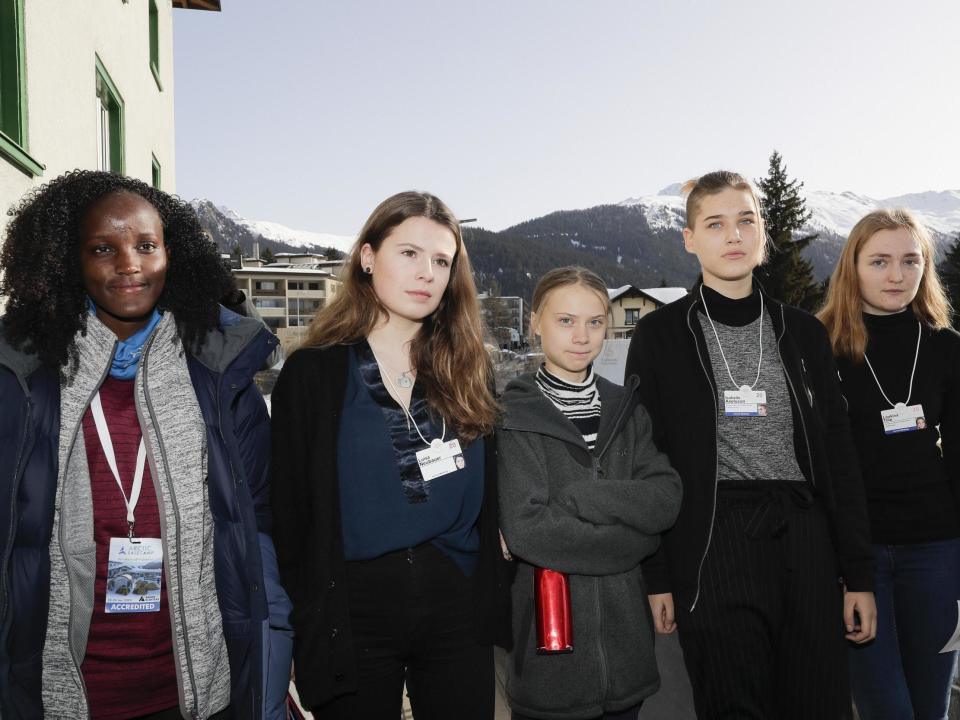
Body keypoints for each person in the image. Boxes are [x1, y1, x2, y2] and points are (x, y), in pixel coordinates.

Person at [0, 170, 292, 720]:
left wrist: (274, 642)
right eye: (103, 248)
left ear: (170, 254)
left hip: (200, 693)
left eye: (146, 245)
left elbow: (258, 523)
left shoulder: (218, 375)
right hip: (63, 695)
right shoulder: (20, 381)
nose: (129, 264)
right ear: (70, 262)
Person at [624, 170, 877, 719]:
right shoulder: (661, 335)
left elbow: (839, 455)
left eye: (746, 220)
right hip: (713, 541)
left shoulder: (803, 331)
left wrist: (858, 574)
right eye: (715, 223)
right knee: (734, 705)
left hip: (806, 539)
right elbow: (646, 460)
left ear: (764, 232)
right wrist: (658, 575)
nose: (733, 235)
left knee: (819, 702)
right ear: (690, 239)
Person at [269, 191, 511, 719]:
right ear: (368, 256)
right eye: (409, 253)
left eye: (442, 260)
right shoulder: (313, 374)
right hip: (351, 609)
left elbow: (494, 484)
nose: (426, 272)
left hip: (456, 600)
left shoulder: (469, 368)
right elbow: (287, 512)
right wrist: (296, 620)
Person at [497, 267, 682, 720]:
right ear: (535, 323)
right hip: (550, 661)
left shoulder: (626, 409)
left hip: (626, 653)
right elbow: (528, 531)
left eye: (595, 322)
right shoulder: (511, 416)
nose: (582, 336)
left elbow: (665, 498)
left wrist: (580, 498)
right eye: (565, 321)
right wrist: (635, 540)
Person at [817, 208, 960, 720]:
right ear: (852, 267)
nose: (896, 275)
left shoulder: (947, 348)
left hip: (938, 552)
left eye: (910, 260)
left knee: (930, 707)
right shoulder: (821, 348)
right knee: (886, 708)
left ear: (926, 267)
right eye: (879, 261)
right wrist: (840, 566)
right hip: (859, 558)